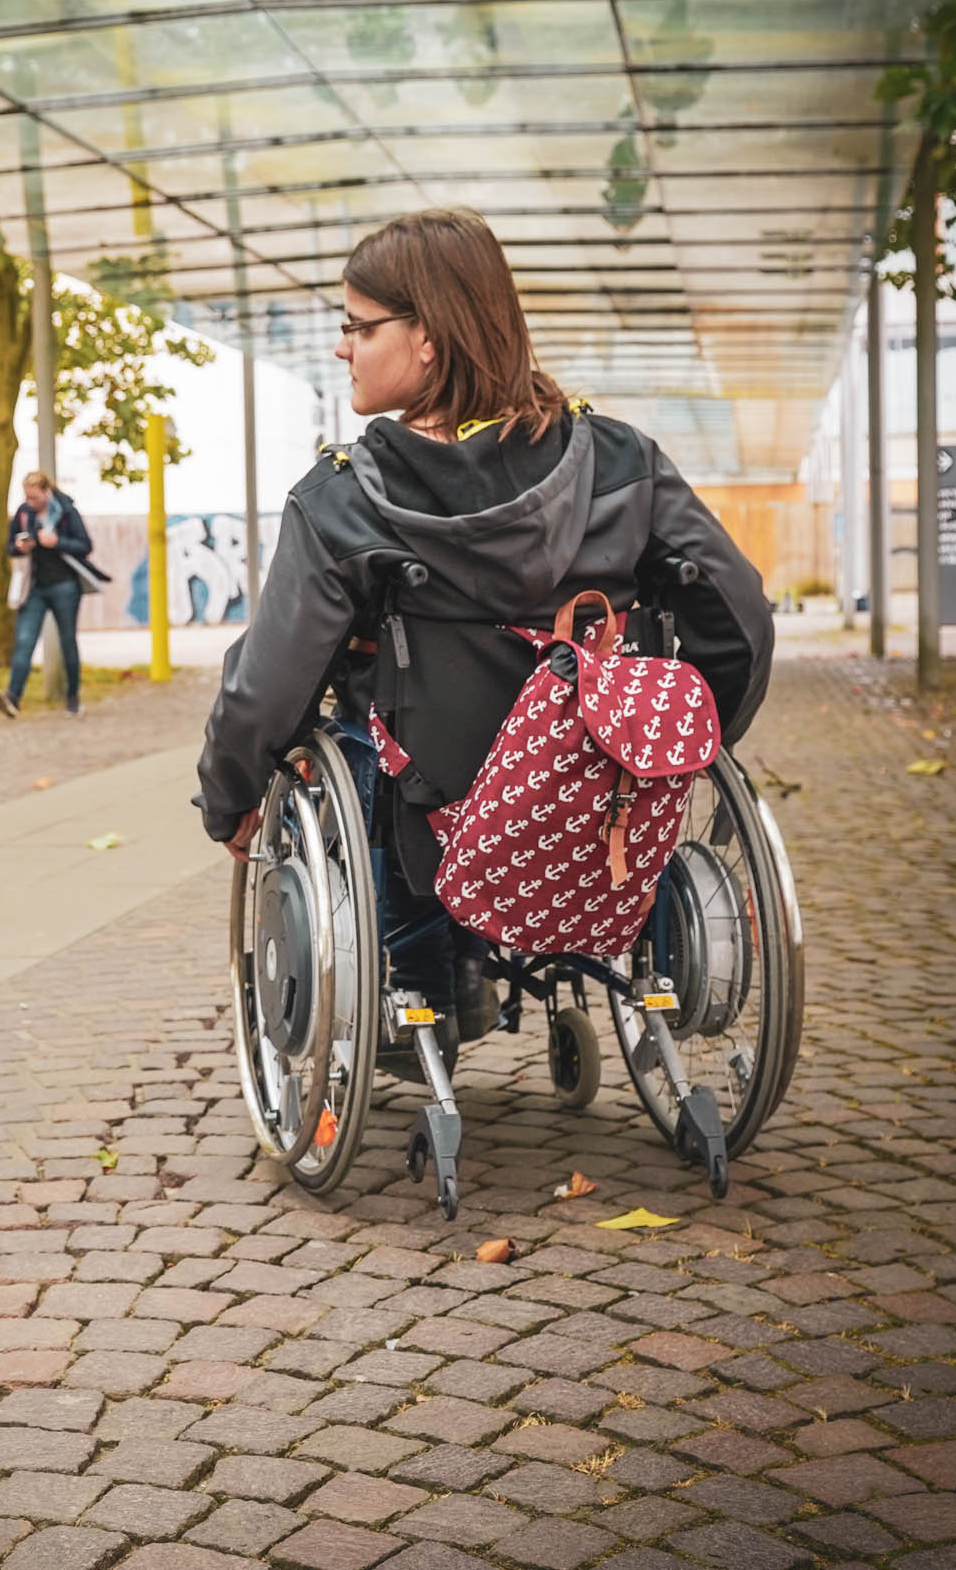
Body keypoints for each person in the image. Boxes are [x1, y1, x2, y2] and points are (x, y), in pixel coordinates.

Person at [197, 210, 772, 1047]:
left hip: (432, 827)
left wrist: (229, 797)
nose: (341, 346)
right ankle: (652, 932)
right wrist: (682, 746)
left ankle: (436, 976)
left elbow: (268, 685)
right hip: (601, 801)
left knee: (362, 735)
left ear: (426, 338)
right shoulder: (622, 464)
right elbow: (739, 616)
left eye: (357, 325)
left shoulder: (345, 504)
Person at [0, 470, 105, 719]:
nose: (30, 502)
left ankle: (72, 699)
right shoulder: (23, 514)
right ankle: (13, 698)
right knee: (24, 641)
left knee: (67, 642)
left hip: (65, 585)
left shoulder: (66, 511)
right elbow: (10, 546)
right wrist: (19, 547)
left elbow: (85, 545)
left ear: (46, 492)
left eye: (34, 498)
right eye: (27, 497)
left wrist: (57, 542)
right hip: (34, 587)